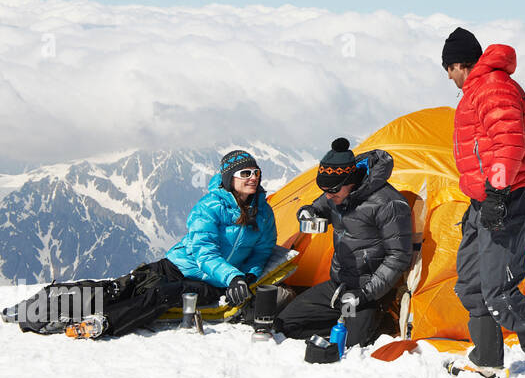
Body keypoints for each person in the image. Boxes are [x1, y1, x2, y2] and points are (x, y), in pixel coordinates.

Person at [3, 149, 279, 338]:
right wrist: (233, 277)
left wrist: (246, 277)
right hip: (178, 265)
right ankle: (35, 307)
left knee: (160, 296)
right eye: (245, 173)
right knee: (120, 287)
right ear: (229, 178)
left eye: (255, 172)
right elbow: (202, 251)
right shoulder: (209, 207)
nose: (253, 177)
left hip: (208, 284)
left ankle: (104, 322)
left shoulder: (264, 213)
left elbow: (262, 251)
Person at [442, 27, 525, 378]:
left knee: (499, 290)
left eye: (448, 70)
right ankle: (486, 359)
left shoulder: (493, 88)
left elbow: (509, 142)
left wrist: (498, 194)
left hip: (505, 201)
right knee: (470, 283)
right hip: (483, 202)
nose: (449, 78)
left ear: (458, 64)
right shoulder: (479, 89)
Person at [275, 138, 412, 349]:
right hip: (338, 286)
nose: (329, 195)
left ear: (352, 181)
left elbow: (398, 256)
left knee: (351, 343)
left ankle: (376, 321)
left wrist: (366, 293)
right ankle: (343, 321)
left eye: (333, 191)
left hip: (367, 293)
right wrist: (307, 212)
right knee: (285, 325)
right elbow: (317, 207)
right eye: (325, 190)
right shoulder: (336, 192)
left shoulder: (388, 203)